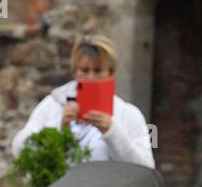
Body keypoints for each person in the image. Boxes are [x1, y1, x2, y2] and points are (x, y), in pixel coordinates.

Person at [10, 34, 154, 168]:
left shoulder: (128, 114)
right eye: (84, 70)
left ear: (110, 73)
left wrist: (112, 131)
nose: (90, 77)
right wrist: (58, 127)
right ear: (75, 71)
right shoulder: (53, 104)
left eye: (98, 70)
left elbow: (146, 167)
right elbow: (19, 149)